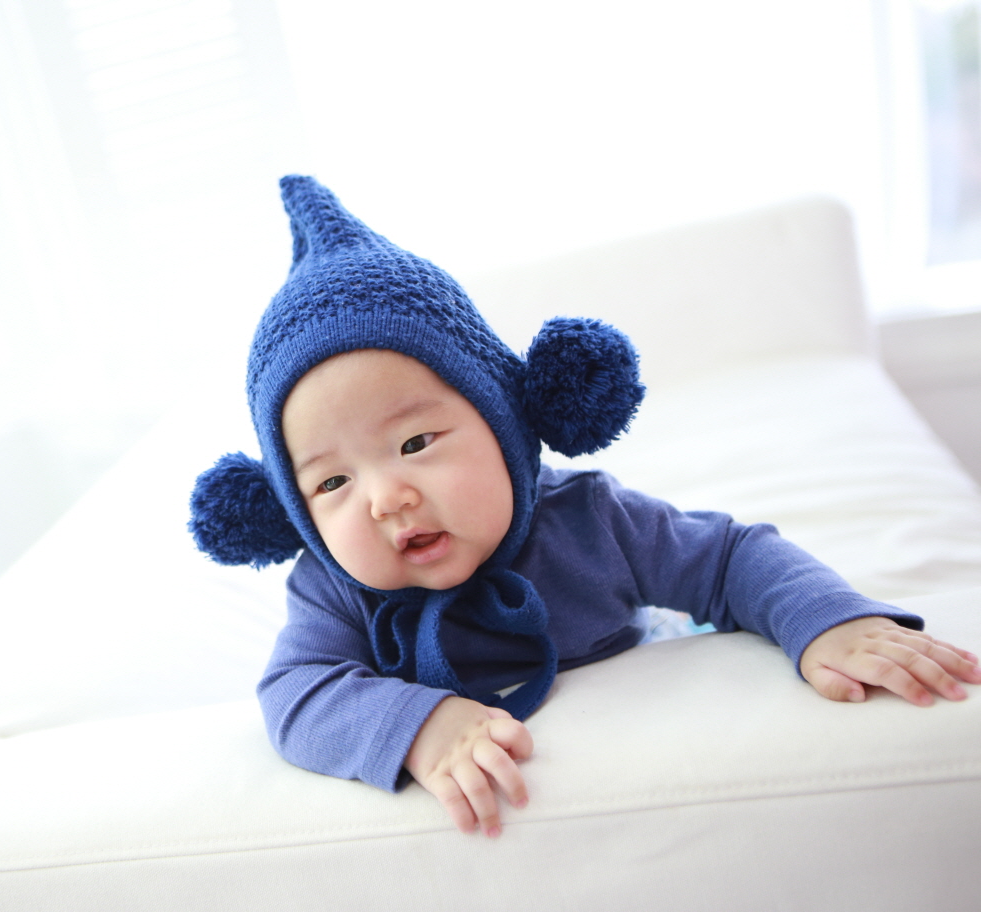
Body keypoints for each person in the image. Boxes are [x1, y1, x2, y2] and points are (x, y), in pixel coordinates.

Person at [188, 175, 981, 839]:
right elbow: (296, 693)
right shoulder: (334, 588)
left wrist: (825, 619)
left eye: (416, 442)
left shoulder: (591, 521)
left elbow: (730, 558)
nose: (385, 497)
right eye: (331, 484)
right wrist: (416, 726)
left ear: (505, 419)